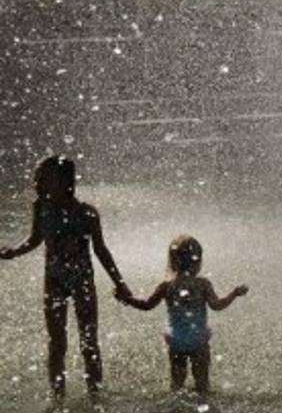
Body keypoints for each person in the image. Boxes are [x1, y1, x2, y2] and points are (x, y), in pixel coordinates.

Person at [0, 156, 130, 398]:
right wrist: (13, 252)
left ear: (64, 181)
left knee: (89, 342)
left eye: (42, 178)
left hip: (83, 282)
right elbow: (35, 240)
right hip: (54, 281)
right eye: (36, 178)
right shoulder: (41, 207)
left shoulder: (87, 214)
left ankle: (95, 394)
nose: (36, 183)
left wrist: (121, 284)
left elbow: (101, 250)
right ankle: (58, 396)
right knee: (56, 342)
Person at [115, 235, 247, 395]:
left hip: (177, 341)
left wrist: (127, 299)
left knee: (177, 385)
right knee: (202, 384)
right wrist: (234, 293)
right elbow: (217, 306)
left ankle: (177, 412)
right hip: (198, 340)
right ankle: (204, 408)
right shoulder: (202, 284)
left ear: (173, 262)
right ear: (198, 261)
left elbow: (146, 305)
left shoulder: (167, 286)